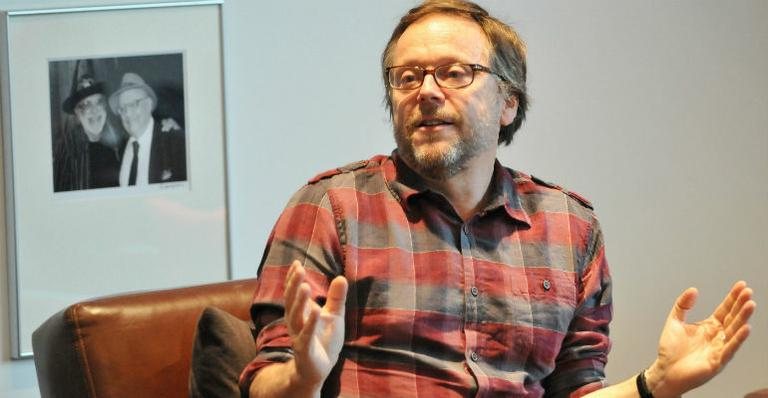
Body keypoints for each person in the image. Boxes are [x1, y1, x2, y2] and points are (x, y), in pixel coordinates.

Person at [241, 1, 756, 397]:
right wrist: (303, 377)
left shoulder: (569, 228)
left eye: (455, 72)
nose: (426, 91)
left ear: (508, 102)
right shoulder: (330, 208)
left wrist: (656, 382)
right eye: (407, 77)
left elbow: (575, 389)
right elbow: (265, 382)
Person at [108, 72, 187, 186]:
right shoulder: (118, 153)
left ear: (149, 104)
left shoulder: (175, 142)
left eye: (134, 104)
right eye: (122, 108)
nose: (128, 113)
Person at [53, 75, 123, 191]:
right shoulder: (67, 148)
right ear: (77, 114)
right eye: (86, 105)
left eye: (99, 102)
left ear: (105, 107)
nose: (94, 110)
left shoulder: (119, 142)